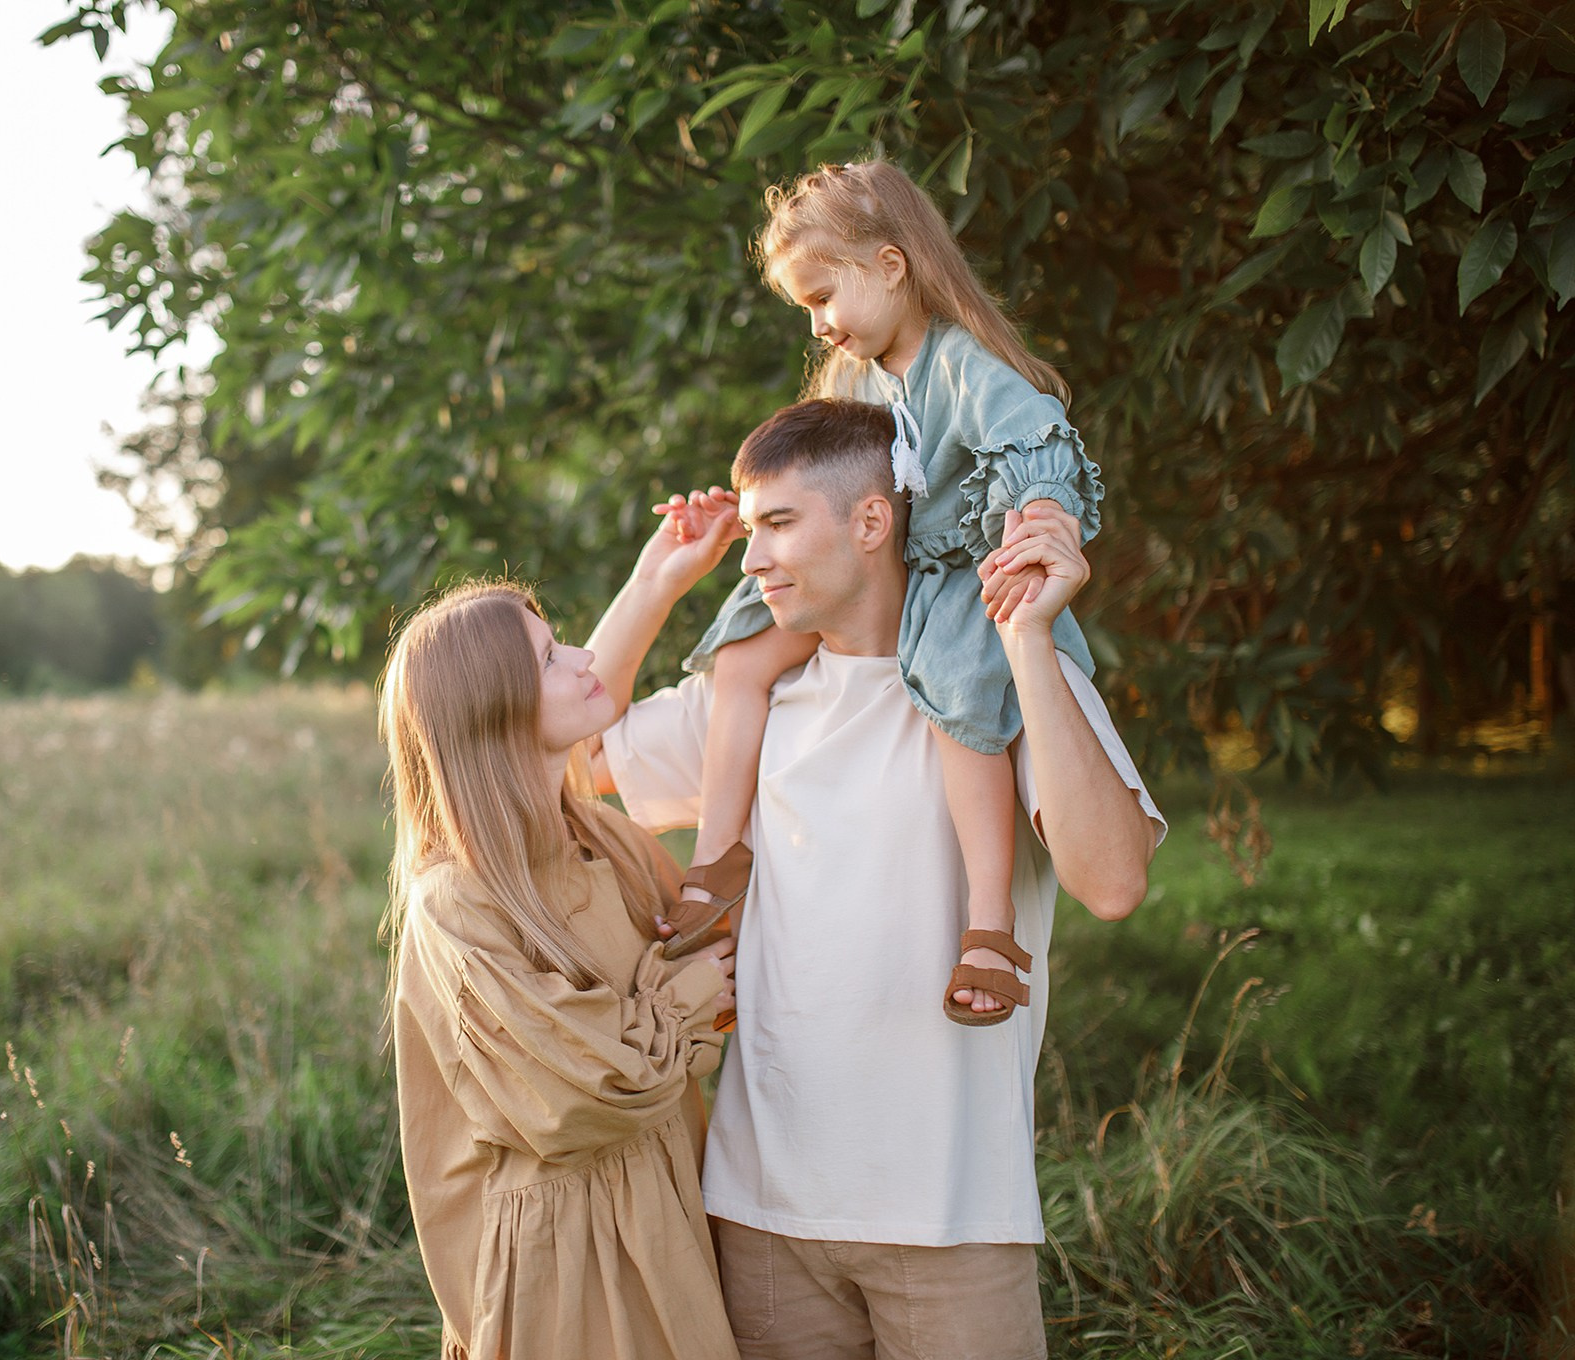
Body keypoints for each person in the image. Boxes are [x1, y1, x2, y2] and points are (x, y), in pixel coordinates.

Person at [585, 398, 1163, 1358]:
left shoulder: (998, 679)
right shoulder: (750, 696)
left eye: (779, 524)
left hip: (951, 1218)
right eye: (751, 528)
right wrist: (655, 582)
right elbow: (564, 752)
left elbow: (1113, 884)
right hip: (763, 1218)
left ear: (869, 521)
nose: (752, 559)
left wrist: (1028, 639)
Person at [660, 160, 1106, 1030]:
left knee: (959, 697)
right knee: (742, 655)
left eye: (824, 297)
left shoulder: (962, 363)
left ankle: (989, 922)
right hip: (873, 572)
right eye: (806, 308)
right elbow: (817, 476)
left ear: (891, 265)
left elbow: (1035, 439)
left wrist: (1043, 515)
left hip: (953, 575)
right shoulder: (855, 377)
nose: (818, 324)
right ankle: (718, 857)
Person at [379, 580, 742, 1360]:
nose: (583, 659)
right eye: (549, 658)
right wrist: (687, 998)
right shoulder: (457, 901)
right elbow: (588, 1091)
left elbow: (717, 961)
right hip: (572, 1260)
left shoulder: (609, 839)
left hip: (673, 1205)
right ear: (494, 708)